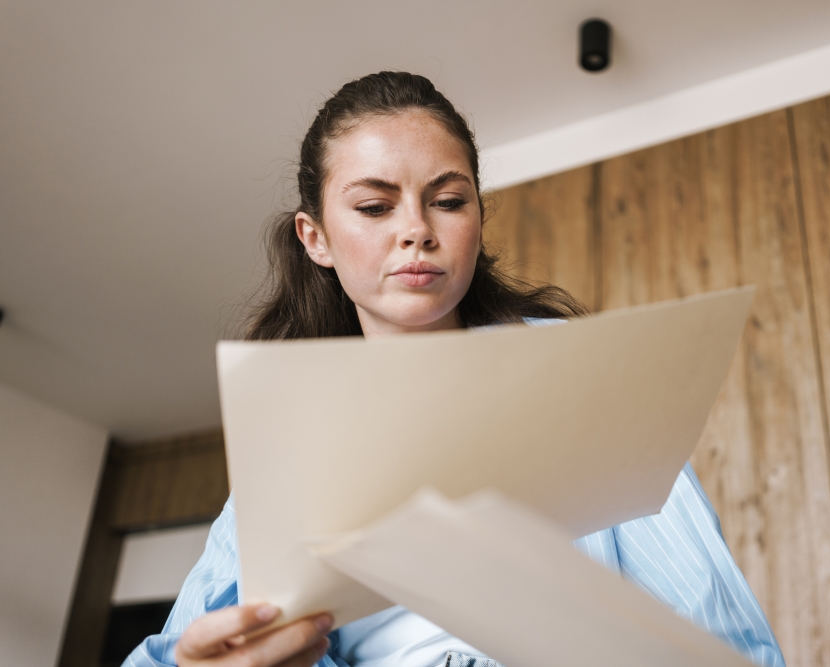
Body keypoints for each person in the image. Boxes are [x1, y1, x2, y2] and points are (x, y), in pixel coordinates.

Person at [124, 72, 785, 667]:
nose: (416, 229)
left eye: (447, 200)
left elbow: (720, 633)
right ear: (315, 237)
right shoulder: (286, 448)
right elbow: (177, 650)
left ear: (477, 217)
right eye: (375, 206)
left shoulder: (583, 376)